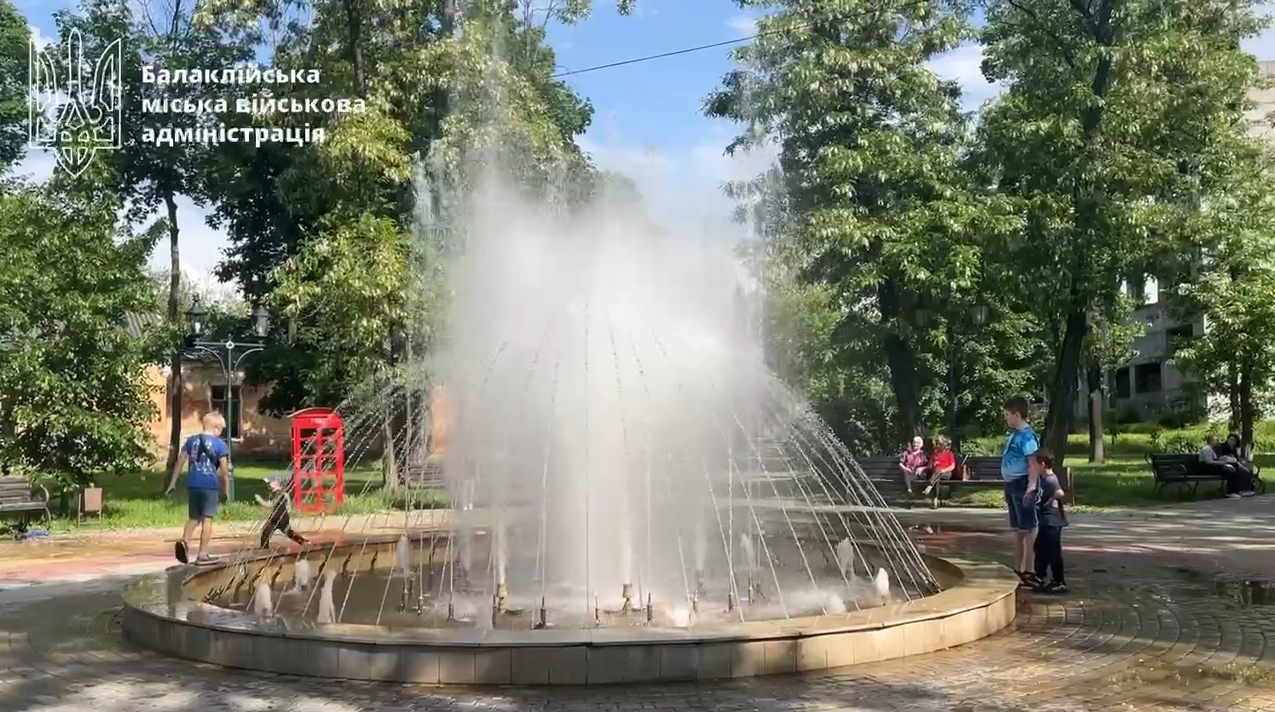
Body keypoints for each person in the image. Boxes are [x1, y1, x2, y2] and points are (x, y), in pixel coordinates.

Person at [165, 412, 230, 565]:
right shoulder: (220, 444)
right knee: (207, 519)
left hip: (193, 484)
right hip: (210, 485)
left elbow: (179, 463)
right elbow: (225, 472)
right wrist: (226, 491)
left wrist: (172, 483)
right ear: (217, 428)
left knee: (194, 517)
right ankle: (203, 554)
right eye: (221, 429)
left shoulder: (190, 441)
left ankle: (185, 541)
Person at [1000, 396, 1040, 587]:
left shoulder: (1027, 436)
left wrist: (1031, 487)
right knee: (1018, 528)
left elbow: (1033, 463)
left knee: (1028, 528)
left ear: (1017, 414)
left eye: (1007, 415)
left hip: (1022, 484)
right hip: (1012, 484)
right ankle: (1018, 567)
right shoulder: (1015, 434)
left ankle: (1029, 570)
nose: (1006, 418)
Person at [1031, 448, 1068, 594]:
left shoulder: (1051, 479)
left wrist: (1053, 498)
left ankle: (1059, 581)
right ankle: (1041, 577)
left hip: (1052, 521)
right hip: (1045, 520)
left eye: (1035, 464)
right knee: (1040, 548)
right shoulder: (1043, 477)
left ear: (1043, 464)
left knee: (1053, 551)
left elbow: (1060, 493)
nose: (1033, 466)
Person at [255, 473, 309, 550]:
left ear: (275, 483)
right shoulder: (277, 493)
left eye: (269, 483)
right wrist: (288, 510)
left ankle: (304, 542)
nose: (268, 485)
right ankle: (264, 549)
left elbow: (271, 504)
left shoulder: (279, 493)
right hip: (277, 518)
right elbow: (288, 503)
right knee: (267, 532)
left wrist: (260, 500)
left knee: (286, 532)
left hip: (280, 518)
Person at [1214, 433, 1257, 498]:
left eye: (1233, 440)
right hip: (1224, 465)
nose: (1231, 441)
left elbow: (1236, 459)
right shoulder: (1222, 446)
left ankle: (1245, 490)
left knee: (1246, 472)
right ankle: (1235, 491)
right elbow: (1219, 457)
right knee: (1235, 471)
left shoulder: (1234, 449)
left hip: (1234, 464)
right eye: (1230, 439)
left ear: (1235, 442)